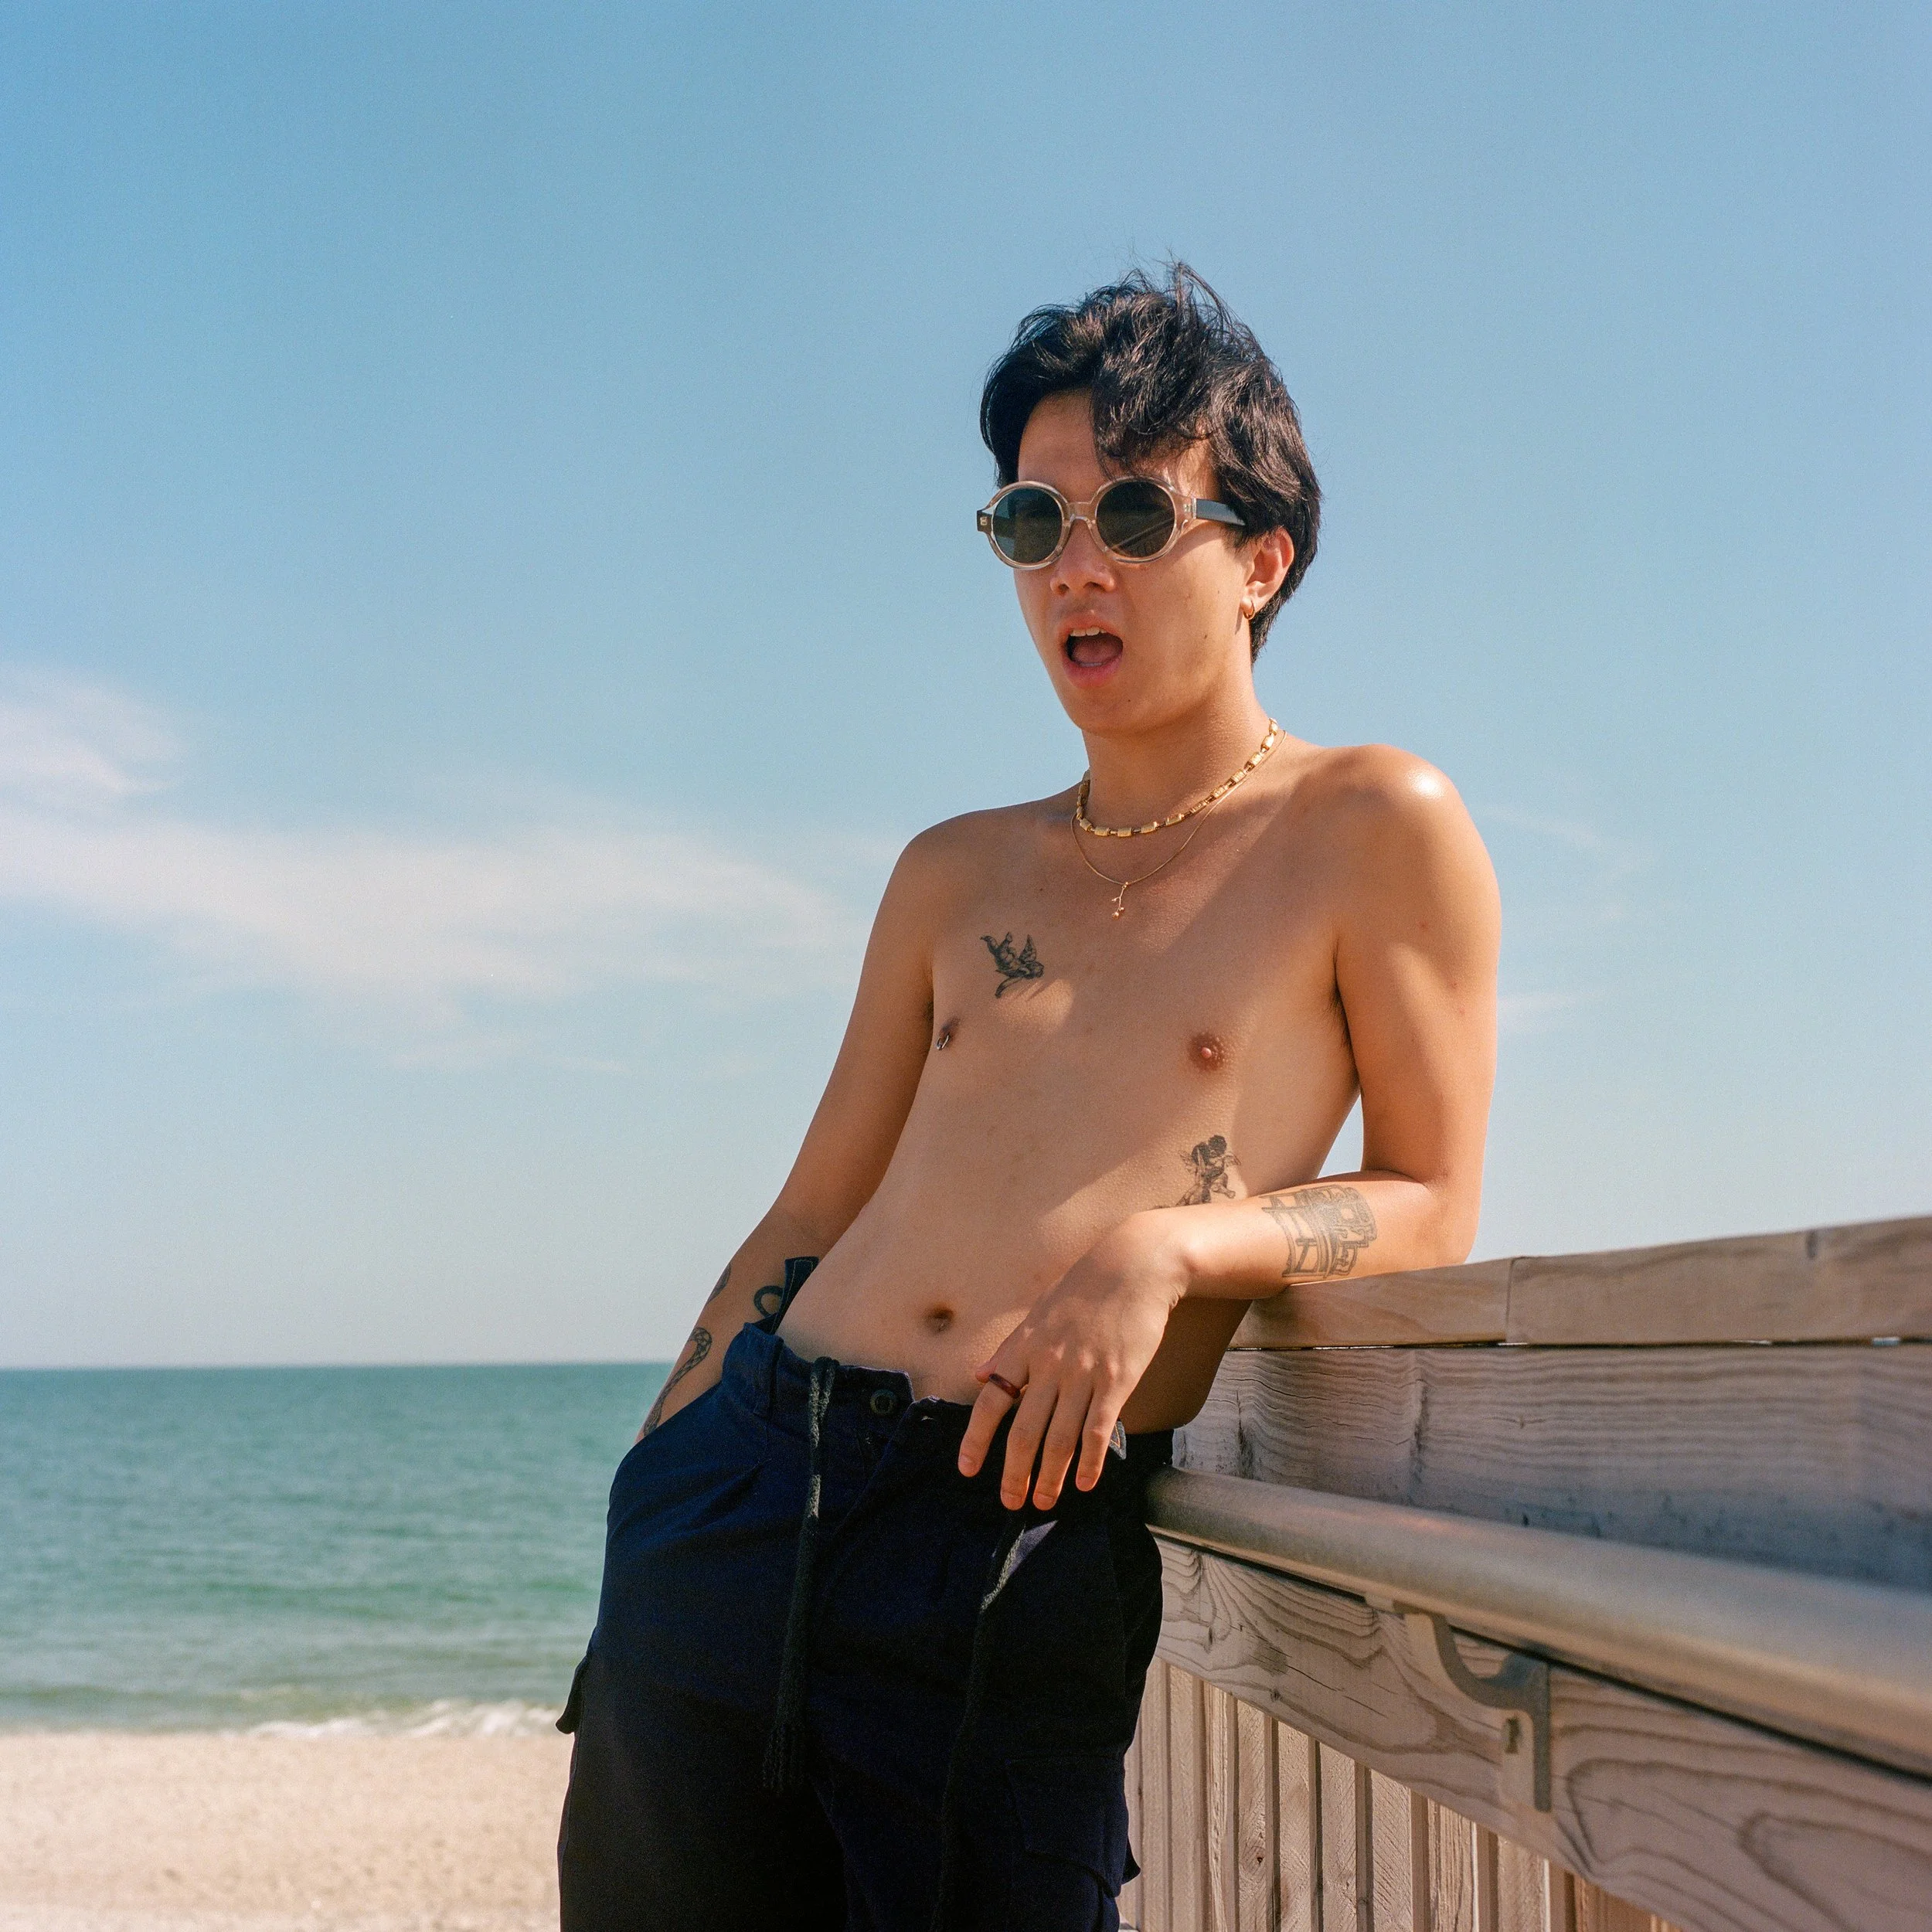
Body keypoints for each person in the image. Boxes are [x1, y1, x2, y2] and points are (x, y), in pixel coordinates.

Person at [556, 264, 1498, 1930]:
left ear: (1261, 559)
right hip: (746, 1488)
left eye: (1134, 514)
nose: (1076, 563)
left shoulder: (1369, 824)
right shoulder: (950, 871)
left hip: (1013, 1529)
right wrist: (657, 1480)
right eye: (1030, 521)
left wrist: (1166, 1251)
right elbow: (812, 1208)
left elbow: (1430, 1201)